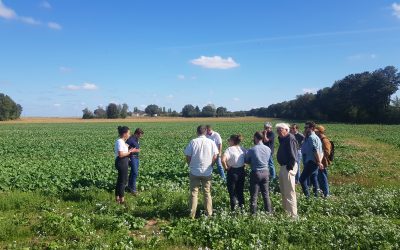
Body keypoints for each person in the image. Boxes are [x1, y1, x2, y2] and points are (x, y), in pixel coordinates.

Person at [184, 125, 219, 219]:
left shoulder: (193, 142)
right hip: (207, 171)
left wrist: (190, 164)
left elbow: (187, 156)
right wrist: (211, 165)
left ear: (197, 132)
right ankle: (209, 213)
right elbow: (216, 156)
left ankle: (192, 215)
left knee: (194, 193)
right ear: (206, 132)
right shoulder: (211, 142)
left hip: (194, 171)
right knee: (207, 192)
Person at [245, 131, 273, 215]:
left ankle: (253, 213)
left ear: (256, 138)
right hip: (266, 172)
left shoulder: (252, 149)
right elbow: (268, 160)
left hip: (256, 172)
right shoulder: (268, 149)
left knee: (254, 195)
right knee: (266, 194)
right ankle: (269, 212)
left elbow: (246, 160)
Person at [276, 123, 299, 218]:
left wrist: (290, 166)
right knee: (284, 191)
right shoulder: (284, 139)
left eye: (280, 130)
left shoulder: (290, 138)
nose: (278, 132)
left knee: (289, 192)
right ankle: (286, 213)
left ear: (286, 130)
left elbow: (293, 153)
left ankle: (293, 215)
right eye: (277, 130)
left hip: (288, 167)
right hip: (284, 166)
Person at [221, 134, 246, 211]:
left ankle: (234, 211)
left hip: (232, 172)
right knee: (240, 191)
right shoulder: (242, 148)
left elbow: (222, 160)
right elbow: (247, 158)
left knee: (232, 193)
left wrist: (226, 168)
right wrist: (244, 164)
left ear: (232, 141)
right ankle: (242, 210)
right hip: (242, 171)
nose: (228, 142)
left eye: (229, 140)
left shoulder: (229, 149)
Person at [114, 126, 138, 204]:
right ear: (124, 134)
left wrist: (129, 150)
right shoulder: (120, 141)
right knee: (123, 181)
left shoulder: (122, 141)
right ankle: (122, 200)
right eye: (128, 133)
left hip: (123, 161)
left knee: (120, 181)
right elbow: (120, 154)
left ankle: (117, 199)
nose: (129, 134)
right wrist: (130, 152)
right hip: (122, 161)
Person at [299, 121, 323, 198]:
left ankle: (308, 197)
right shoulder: (316, 137)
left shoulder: (311, 138)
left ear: (312, 128)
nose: (305, 129)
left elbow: (315, 150)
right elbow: (321, 151)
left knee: (302, 179)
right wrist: (319, 162)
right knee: (314, 179)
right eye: (305, 127)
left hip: (311, 162)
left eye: (307, 127)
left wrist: (319, 162)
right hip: (315, 162)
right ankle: (317, 196)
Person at [315, 125, 331, 198]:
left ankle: (326, 194)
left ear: (319, 131)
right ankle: (323, 193)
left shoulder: (324, 140)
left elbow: (327, 152)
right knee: (320, 178)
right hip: (319, 162)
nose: (315, 132)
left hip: (322, 162)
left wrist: (320, 155)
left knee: (323, 178)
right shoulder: (319, 139)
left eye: (316, 131)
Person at [126, 128, 144, 195]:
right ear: (137, 134)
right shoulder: (131, 139)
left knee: (132, 173)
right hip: (132, 157)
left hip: (136, 157)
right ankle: (133, 190)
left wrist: (137, 150)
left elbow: (136, 148)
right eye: (140, 135)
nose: (141, 137)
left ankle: (129, 187)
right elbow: (125, 148)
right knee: (135, 173)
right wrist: (130, 152)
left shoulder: (136, 139)